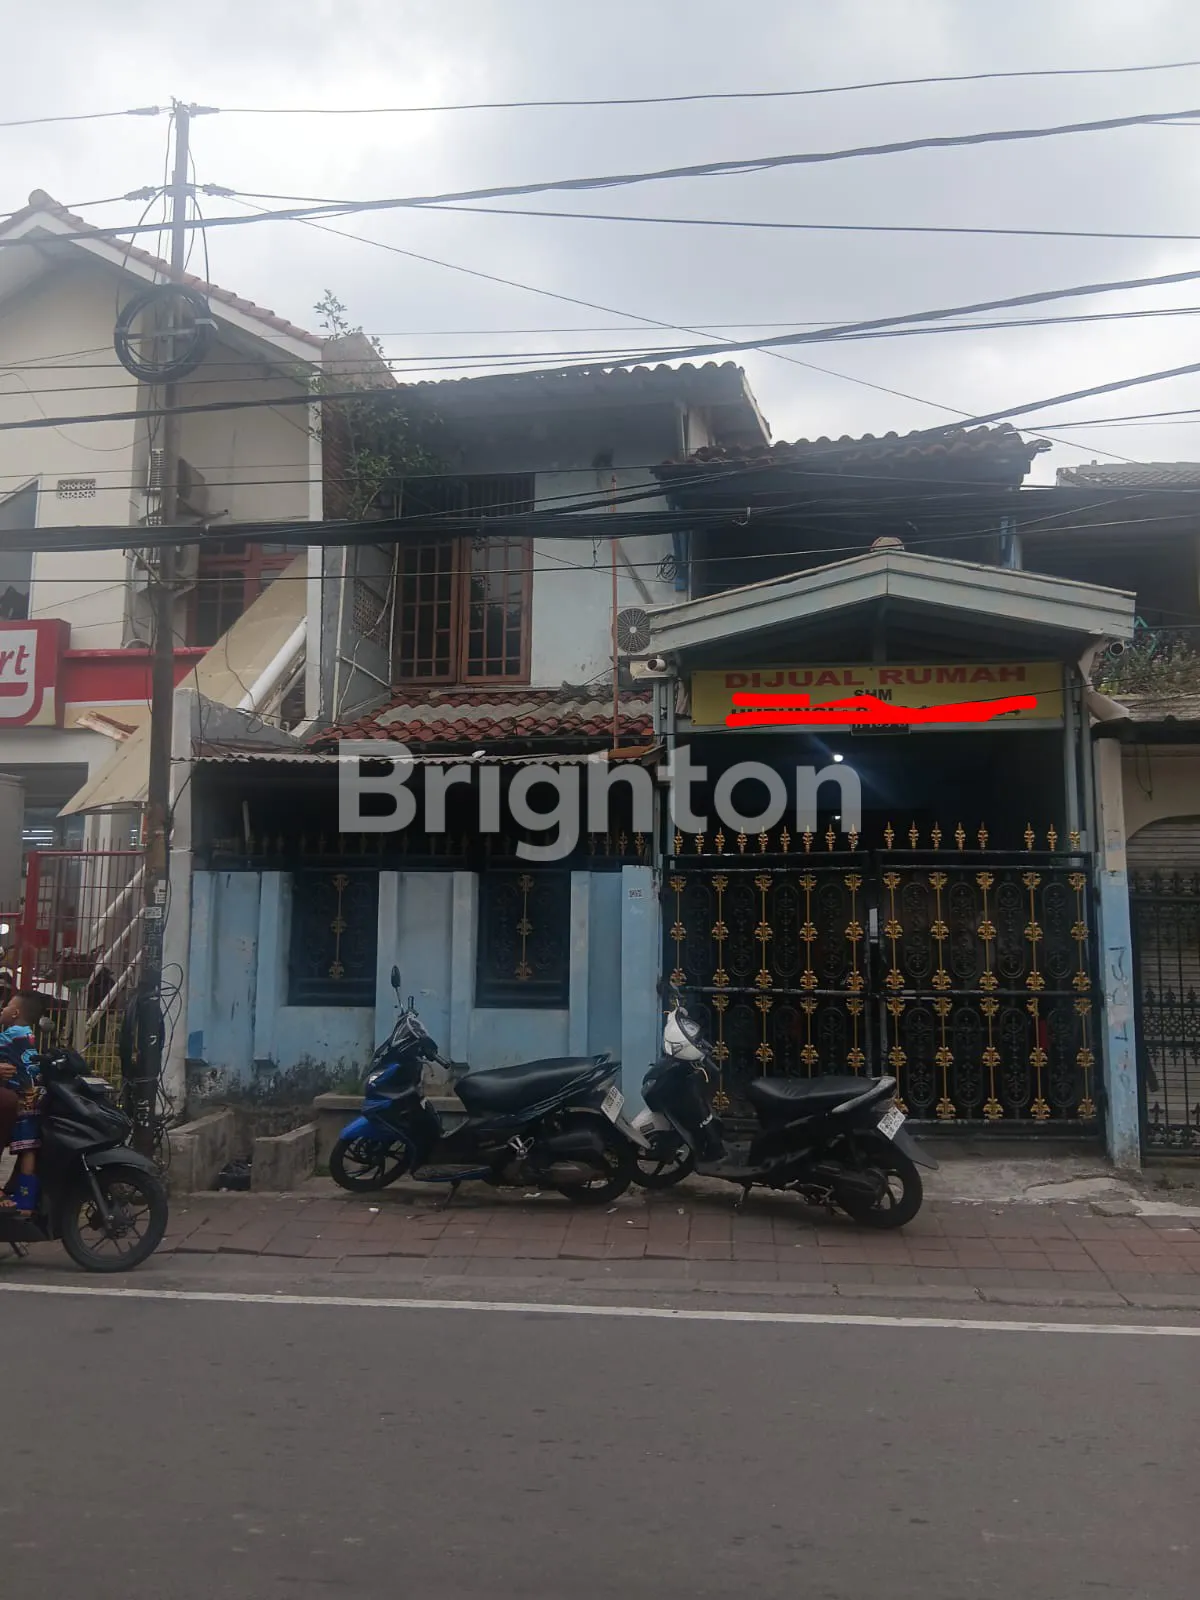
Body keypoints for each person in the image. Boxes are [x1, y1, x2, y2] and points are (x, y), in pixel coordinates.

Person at [0, 990, 45, 1217]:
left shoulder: (10, 1034)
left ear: (15, 1013)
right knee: (28, 1149)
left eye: (7, 1005)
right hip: (32, 1099)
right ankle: (26, 1201)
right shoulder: (28, 1035)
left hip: (18, 1098)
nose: (2, 1008)